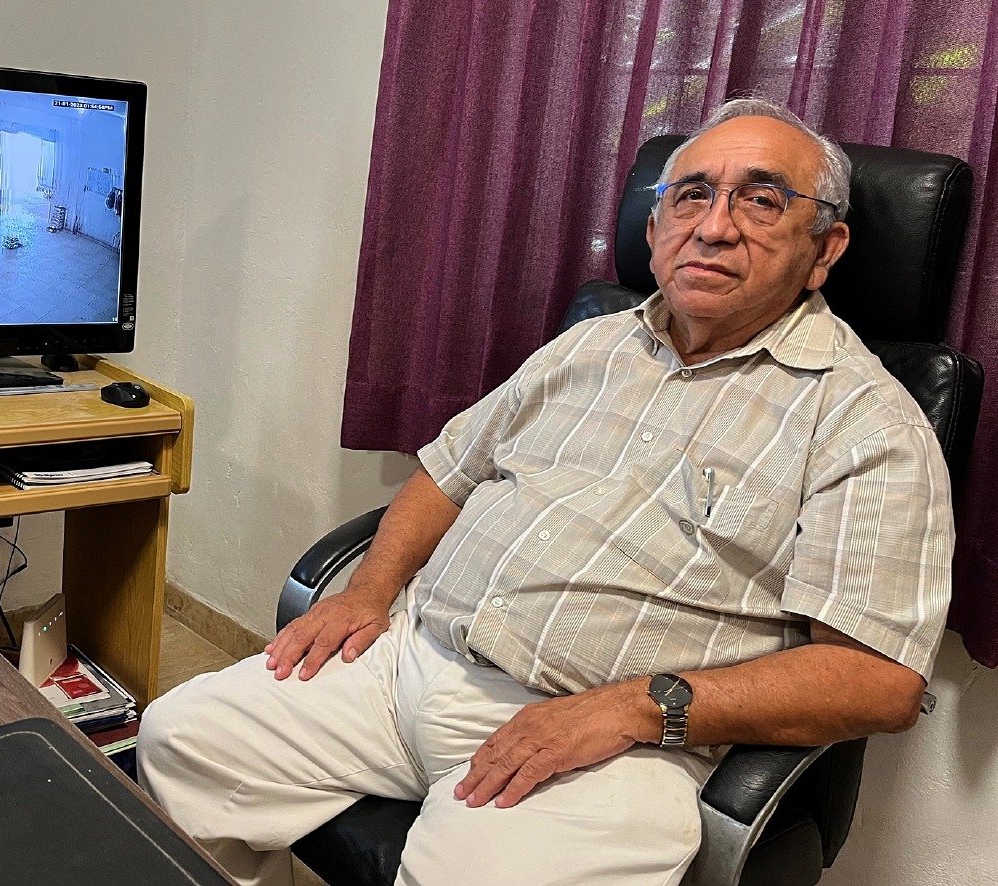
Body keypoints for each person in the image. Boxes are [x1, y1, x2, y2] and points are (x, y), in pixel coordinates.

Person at [137, 98, 952, 886]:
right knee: (182, 740)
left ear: (825, 247)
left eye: (762, 200)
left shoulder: (866, 424)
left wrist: (636, 709)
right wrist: (370, 588)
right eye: (692, 194)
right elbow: (448, 471)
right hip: (409, 660)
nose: (713, 226)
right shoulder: (589, 345)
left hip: (611, 737)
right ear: (654, 227)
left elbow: (877, 680)